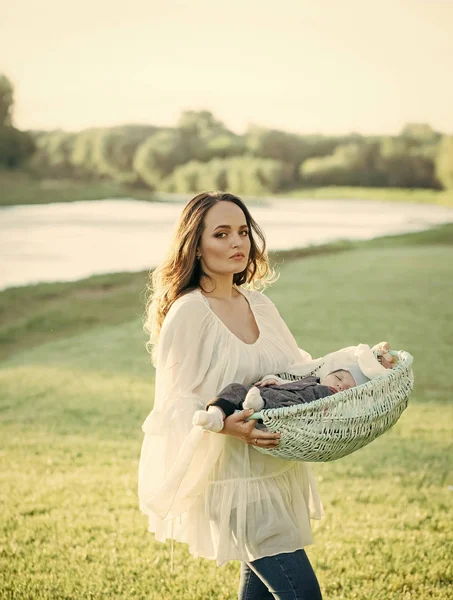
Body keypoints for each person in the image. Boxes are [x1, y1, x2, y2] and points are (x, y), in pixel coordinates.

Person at [139, 191, 328, 599]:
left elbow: (297, 373)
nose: (237, 243)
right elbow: (174, 404)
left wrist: (359, 366)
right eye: (221, 234)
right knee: (301, 592)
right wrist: (226, 425)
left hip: (273, 468)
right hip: (226, 475)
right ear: (196, 245)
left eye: (242, 232)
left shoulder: (259, 304)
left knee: (258, 587)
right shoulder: (190, 312)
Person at [192, 343, 395, 433]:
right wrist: (272, 379)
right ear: (328, 373)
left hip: (289, 410)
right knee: (235, 388)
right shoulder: (312, 378)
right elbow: (287, 376)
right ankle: (215, 415)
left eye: (348, 388)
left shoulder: (327, 398)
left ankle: (260, 405)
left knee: (301, 400)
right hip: (267, 393)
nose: (340, 385)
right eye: (338, 377)